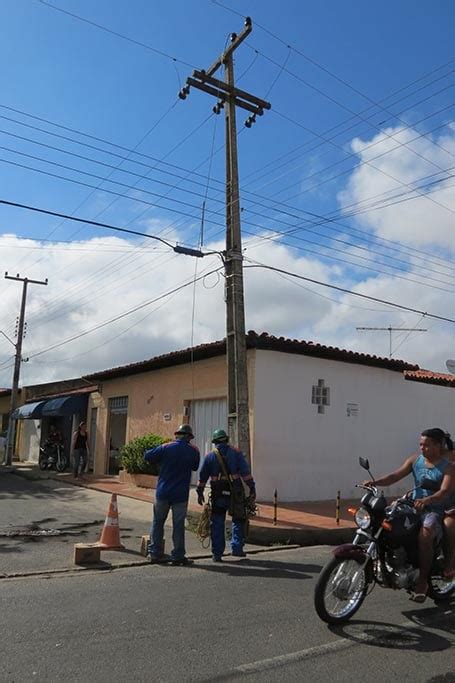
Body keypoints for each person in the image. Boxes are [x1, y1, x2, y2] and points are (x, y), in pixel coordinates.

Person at [364, 427, 455, 602]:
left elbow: (444, 492)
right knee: (387, 523)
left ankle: (422, 582)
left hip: (433, 509)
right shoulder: (415, 460)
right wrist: (374, 482)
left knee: (425, 533)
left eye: (427, 445)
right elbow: (394, 476)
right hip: (412, 505)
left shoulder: (449, 468)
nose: (422, 448)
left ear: (438, 445)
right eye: (421, 444)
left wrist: (428, 500)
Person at [196, 428, 256, 562]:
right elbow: (245, 473)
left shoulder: (210, 456)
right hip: (236, 491)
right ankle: (237, 549)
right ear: (227, 440)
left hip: (218, 493)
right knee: (238, 519)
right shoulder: (236, 453)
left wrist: (200, 493)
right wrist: (252, 487)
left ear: (214, 442)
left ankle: (217, 554)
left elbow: (202, 477)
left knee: (217, 522)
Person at [144, 424, 200, 566]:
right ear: (189, 437)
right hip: (180, 494)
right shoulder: (193, 450)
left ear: (177, 434)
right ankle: (178, 556)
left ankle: (154, 553)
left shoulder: (166, 447)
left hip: (163, 492)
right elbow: (195, 466)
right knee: (178, 524)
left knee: (158, 522)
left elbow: (148, 456)